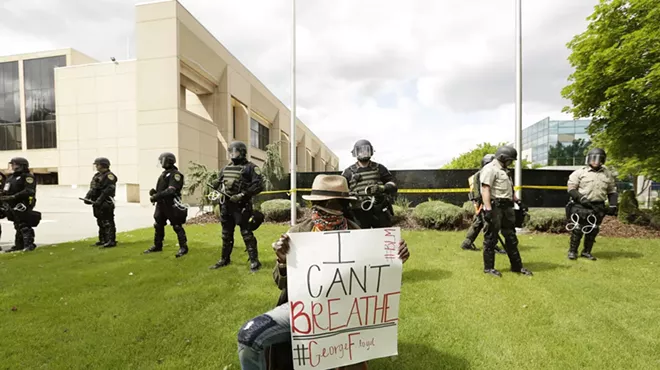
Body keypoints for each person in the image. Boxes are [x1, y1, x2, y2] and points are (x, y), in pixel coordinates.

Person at [236, 175, 410, 370]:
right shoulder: (298, 233)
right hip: (302, 310)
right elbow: (280, 283)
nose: (321, 208)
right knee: (248, 336)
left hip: (345, 314)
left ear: (343, 205)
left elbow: (377, 283)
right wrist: (282, 261)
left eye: (330, 203)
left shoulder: (358, 235)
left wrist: (395, 259)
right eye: (318, 203)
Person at [209, 141, 264, 272]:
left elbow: (258, 185)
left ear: (242, 152)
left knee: (246, 234)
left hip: (242, 206)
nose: (233, 155)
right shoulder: (225, 168)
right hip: (226, 205)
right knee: (226, 234)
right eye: (231, 152)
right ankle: (224, 259)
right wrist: (216, 183)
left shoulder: (251, 168)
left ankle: (254, 262)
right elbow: (220, 181)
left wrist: (242, 195)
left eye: (236, 152)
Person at [479, 146, 532, 277]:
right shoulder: (490, 169)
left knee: (511, 238)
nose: (511, 162)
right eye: (509, 160)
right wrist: (488, 210)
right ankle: (489, 268)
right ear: (503, 158)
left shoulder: (505, 171)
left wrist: (518, 201)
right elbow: (485, 189)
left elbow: (509, 190)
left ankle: (517, 267)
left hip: (507, 207)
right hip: (495, 207)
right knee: (491, 238)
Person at [566, 148, 618, 260]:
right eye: (593, 159)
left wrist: (613, 205)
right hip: (581, 205)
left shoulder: (608, 174)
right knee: (578, 229)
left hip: (598, 206)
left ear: (603, 160)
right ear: (588, 159)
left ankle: (586, 252)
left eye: (599, 159)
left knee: (593, 229)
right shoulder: (580, 173)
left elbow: (612, 191)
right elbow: (571, 188)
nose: (595, 161)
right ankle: (572, 251)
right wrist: (580, 198)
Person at [341, 139, 397, 229]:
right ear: (355, 153)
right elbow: (341, 191)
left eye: (366, 150)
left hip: (379, 210)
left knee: (384, 238)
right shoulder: (348, 172)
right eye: (361, 151)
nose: (363, 153)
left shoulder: (379, 168)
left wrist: (382, 188)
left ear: (370, 151)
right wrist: (350, 195)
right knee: (360, 240)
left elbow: (393, 185)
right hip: (358, 213)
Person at [144, 152, 189, 258]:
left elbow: (171, 191)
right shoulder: (164, 174)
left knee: (177, 226)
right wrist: (155, 192)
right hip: (161, 205)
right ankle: (157, 245)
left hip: (171, 204)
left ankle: (183, 247)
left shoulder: (176, 174)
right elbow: (164, 189)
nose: (160, 162)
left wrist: (156, 196)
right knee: (158, 224)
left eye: (162, 160)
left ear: (168, 161)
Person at [460, 153, 506, 254]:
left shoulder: (482, 173)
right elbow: (479, 192)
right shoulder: (483, 174)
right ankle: (491, 245)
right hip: (483, 203)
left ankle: (467, 243)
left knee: (478, 223)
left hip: (481, 203)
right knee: (490, 225)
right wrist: (484, 204)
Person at [0, 157, 40, 252]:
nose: (13, 166)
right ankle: (19, 245)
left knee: (24, 224)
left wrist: (14, 196)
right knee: (17, 224)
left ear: (21, 166)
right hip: (11, 203)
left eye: (15, 164)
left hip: (23, 203)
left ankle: (29, 244)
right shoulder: (11, 178)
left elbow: (29, 190)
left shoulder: (27, 177)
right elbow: (6, 189)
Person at [84, 157, 117, 248]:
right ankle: (103, 239)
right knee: (100, 221)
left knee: (107, 221)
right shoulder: (97, 175)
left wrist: (99, 200)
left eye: (97, 164)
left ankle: (110, 240)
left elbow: (108, 190)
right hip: (96, 202)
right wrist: (87, 197)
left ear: (103, 165)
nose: (96, 166)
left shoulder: (109, 176)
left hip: (106, 201)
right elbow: (93, 188)